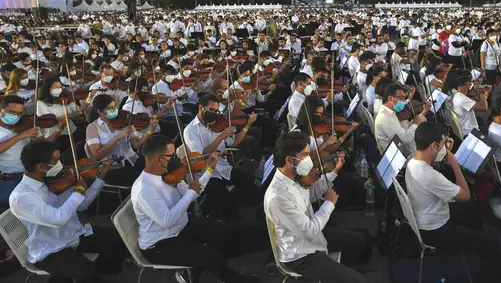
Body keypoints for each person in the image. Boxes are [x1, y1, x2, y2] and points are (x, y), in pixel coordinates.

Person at [132, 135, 264, 283]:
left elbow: (195, 191)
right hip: (160, 243)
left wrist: (209, 170)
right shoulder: (145, 189)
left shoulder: (168, 174)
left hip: (180, 226)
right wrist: (190, 192)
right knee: (211, 257)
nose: (176, 159)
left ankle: (254, 242)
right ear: (158, 159)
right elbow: (167, 221)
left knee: (223, 232)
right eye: (171, 156)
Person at [9, 140, 126, 283]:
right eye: (56, 161)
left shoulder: (56, 181)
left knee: (116, 238)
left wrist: (100, 178)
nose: (62, 166)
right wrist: (77, 191)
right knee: (85, 271)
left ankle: (105, 272)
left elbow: (82, 205)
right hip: (51, 249)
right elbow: (58, 219)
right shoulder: (22, 197)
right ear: (41, 166)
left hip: (73, 235)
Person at [406, 121, 501, 283]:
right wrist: (454, 164)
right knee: (495, 245)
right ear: (433, 146)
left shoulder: (413, 162)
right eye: (442, 144)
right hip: (437, 231)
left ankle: (479, 254)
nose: (444, 147)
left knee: (474, 214)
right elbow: (465, 195)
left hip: (426, 218)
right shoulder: (430, 176)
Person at [264, 131, 369, 283]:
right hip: (300, 255)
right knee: (358, 281)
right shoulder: (278, 197)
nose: (310, 159)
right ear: (289, 160)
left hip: (315, 236)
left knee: (361, 239)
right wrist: (329, 204)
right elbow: (309, 232)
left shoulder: (294, 176)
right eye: (305, 155)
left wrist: (334, 171)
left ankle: (343, 272)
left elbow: (311, 194)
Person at [183, 94, 259, 219]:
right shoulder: (190, 130)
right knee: (221, 194)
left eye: (216, 111)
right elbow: (201, 155)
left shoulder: (217, 124)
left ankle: (246, 208)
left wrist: (248, 125)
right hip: (206, 173)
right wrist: (220, 137)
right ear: (201, 108)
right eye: (211, 110)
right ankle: (233, 219)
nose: (214, 114)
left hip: (223, 168)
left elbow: (234, 143)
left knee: (248, 180)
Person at [0, 95, 66, 208]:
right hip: (9, 178)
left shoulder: (25, 125)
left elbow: (46, 142)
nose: (15, 116)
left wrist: (60, 127)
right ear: (1, 110)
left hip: (30, 175)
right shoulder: (22, 132)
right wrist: (20, 136)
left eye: (19, 113)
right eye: (12, 112)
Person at [86, 95, 143, 186]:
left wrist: (151, 130)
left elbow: (136, 145)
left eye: (115, 107)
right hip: (112, 168)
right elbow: (97, 156)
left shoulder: (124, 119)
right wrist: (117, 137)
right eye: (110, 108)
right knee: (137, 180)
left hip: (132, 159)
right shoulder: (92, 128)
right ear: (100, 111)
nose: (115, 110)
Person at [374, 82, 430, 154]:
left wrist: (409, 98)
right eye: (401, 98)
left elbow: (401, 104)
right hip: (398, 157)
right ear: (390, 98)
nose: (403, 102)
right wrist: (416, 123)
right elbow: (406, 139)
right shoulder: (385, 119)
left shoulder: (389, 110)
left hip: (400, 148)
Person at [36, 76, 87, 151]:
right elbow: (47, 121)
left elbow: (79, 111)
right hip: (56, 136)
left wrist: (89, 99)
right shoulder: (41, 103)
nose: (58, 89)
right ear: (47, 88)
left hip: (72, 132)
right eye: (55, 87)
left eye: (60, 87)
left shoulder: (65, 97)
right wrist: (64, 118)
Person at [451, 72, 490, 138]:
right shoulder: (463, 99)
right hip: (470, 132)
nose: (473, 83)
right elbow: (484, 107)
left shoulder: (457, 95)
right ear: (468, 83)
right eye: (472, 81)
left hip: (465, 129)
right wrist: (484, 94)